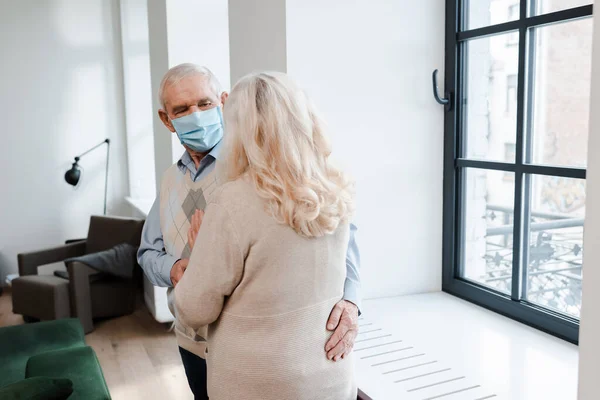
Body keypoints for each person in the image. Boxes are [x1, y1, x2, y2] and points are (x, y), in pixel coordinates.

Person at [137, 64, 361, 400]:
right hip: (199, 345)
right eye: (182, 110)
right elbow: (147, 253)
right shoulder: (171, 181)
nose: (196, 116)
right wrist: (174, 269)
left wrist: (352, 302)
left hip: (256, 366)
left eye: (204, 104)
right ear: (166, 119)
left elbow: (347, 250)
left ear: (226, 105)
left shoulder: (239, 191)